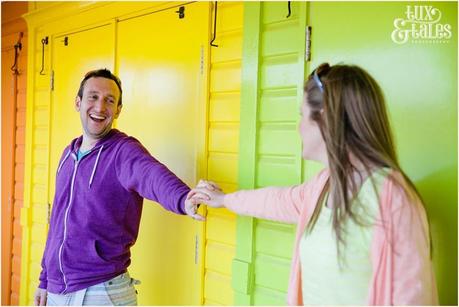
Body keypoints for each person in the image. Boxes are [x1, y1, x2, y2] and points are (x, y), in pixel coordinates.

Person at [189, 63, 438, 305]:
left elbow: (412, 297)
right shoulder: (325, 184)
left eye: (303, 115)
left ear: (328, 119)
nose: (298, 127)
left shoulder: (392, 197)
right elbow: (278, 201)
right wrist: (224, 200)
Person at [34, 69, 206, 306]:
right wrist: (44, 280)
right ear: (78, 102)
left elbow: (151, 175)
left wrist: (183, 197)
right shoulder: (68, 154)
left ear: (118, 110)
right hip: (56, 291)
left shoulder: (123, 151)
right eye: (93, 97)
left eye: (110, 100)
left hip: (100, 290)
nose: (100, 106)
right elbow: (57, 222)